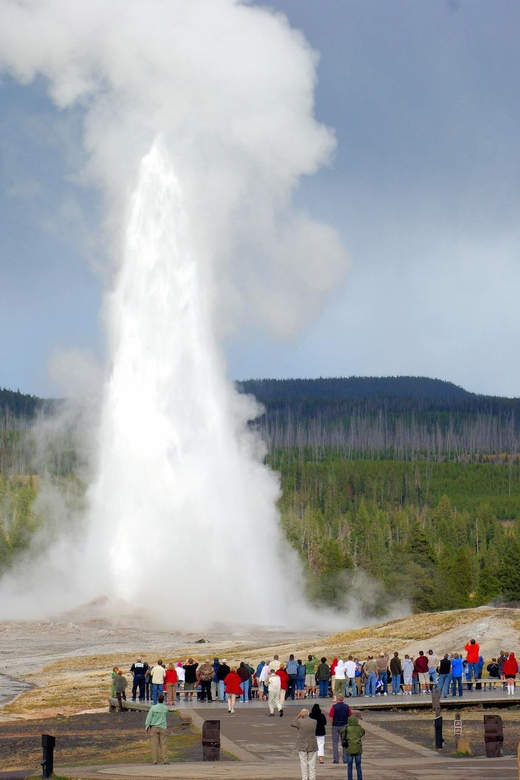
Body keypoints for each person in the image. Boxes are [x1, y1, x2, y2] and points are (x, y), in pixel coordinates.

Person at [291, 708, 318, 780]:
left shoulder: (300, 721)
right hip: (312, 744)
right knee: (312, 764)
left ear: (302, 714)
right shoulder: (314, 721)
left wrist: (298, 716)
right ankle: (312, 778)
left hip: (302, 744)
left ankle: (304, 778)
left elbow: (293, 723)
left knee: (303, 763)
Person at [145, 692, 169, 765]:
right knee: (163, 744)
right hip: (163, 727)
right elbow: (166, 713)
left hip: (154, 727)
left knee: (154, 744)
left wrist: (147, 726)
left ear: (157, 700)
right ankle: (165, 760)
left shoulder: (153, 708)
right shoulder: (165, 708)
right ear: (163, 700)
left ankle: (155, 760)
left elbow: (149, 717)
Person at [340, 714, 365, 780]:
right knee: (358, 766)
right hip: (358, 748)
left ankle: (350, 778)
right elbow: (363, 733)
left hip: (349, 749)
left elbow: (341, 731)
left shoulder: (347, 728)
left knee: (349, 766)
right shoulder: (359, 728)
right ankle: (360, 778)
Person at [329, 694, 351, 764]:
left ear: (337, 699)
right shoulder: (347, 707)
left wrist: (332, 724)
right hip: (344, 725)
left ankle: (336, 759)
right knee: (344, 742)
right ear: (343, 699)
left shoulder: (334, 707)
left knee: (335, 742)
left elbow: (331, 717)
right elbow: (350, 716)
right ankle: (345, 759)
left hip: (335, 725)